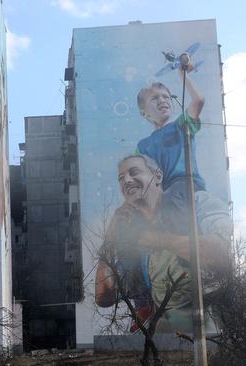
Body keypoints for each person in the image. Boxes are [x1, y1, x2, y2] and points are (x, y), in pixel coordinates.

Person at [95, 155, 231, 332]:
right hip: (163, 333)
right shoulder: (131, 239)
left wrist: (159, 240)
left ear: (157, 176)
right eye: (121, 178)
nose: (126, 180)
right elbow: (104, 298)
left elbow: (221, 255)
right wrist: (109, 239)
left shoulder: (196, 202)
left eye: (134, 172)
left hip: (208, 327)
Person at [136, 63, 205, 198]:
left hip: (188, 185)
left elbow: (199, 100)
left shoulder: (181, 125)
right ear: (144, 113)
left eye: (166, 97)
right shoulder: (142, 146)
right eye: (154, 99)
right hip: (164, 195)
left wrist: (183, 74)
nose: (162, 101)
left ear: (172, 105)